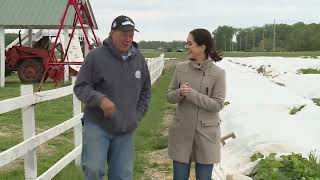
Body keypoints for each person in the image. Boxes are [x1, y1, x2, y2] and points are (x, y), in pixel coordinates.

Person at [74, 15, 151, 180]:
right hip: (97, 124)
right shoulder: (95, 57)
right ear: (111, 33)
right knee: (93, 170)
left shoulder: (139, 59)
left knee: (122, 176)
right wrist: (100, 100)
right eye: (124, 34)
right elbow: (81, 87)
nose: (128, 39)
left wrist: (136, 116)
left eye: (131, 35)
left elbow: (146, 91)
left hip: (125, 129)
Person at [167, 28, 226, 180]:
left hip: (207, 135)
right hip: (182, 132)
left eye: (189, 43)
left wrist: (192, 94)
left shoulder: (218, 73)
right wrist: (180, 92)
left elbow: (217, 105)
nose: (186, 46)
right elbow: (169, 96)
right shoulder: (180, 69)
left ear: (202, 47)